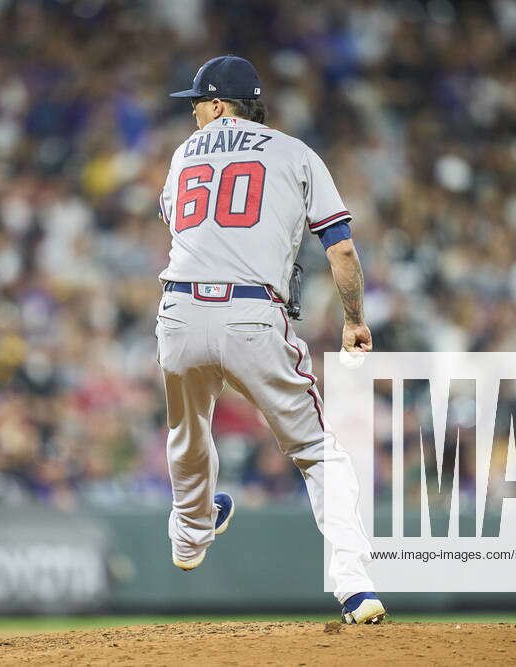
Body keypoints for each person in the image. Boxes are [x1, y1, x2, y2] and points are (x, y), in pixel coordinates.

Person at [156, 55, 385, 624]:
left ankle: (191, 536)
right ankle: (355, 587)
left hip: (180, 309)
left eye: (196, 104)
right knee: (316, 451)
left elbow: (184, 226)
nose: (192, 115)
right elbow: (342, 249)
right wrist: (354, 319)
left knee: (188, 428)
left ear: (216, 104)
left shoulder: (184, 156)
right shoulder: (295, 152)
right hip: (253, 314)